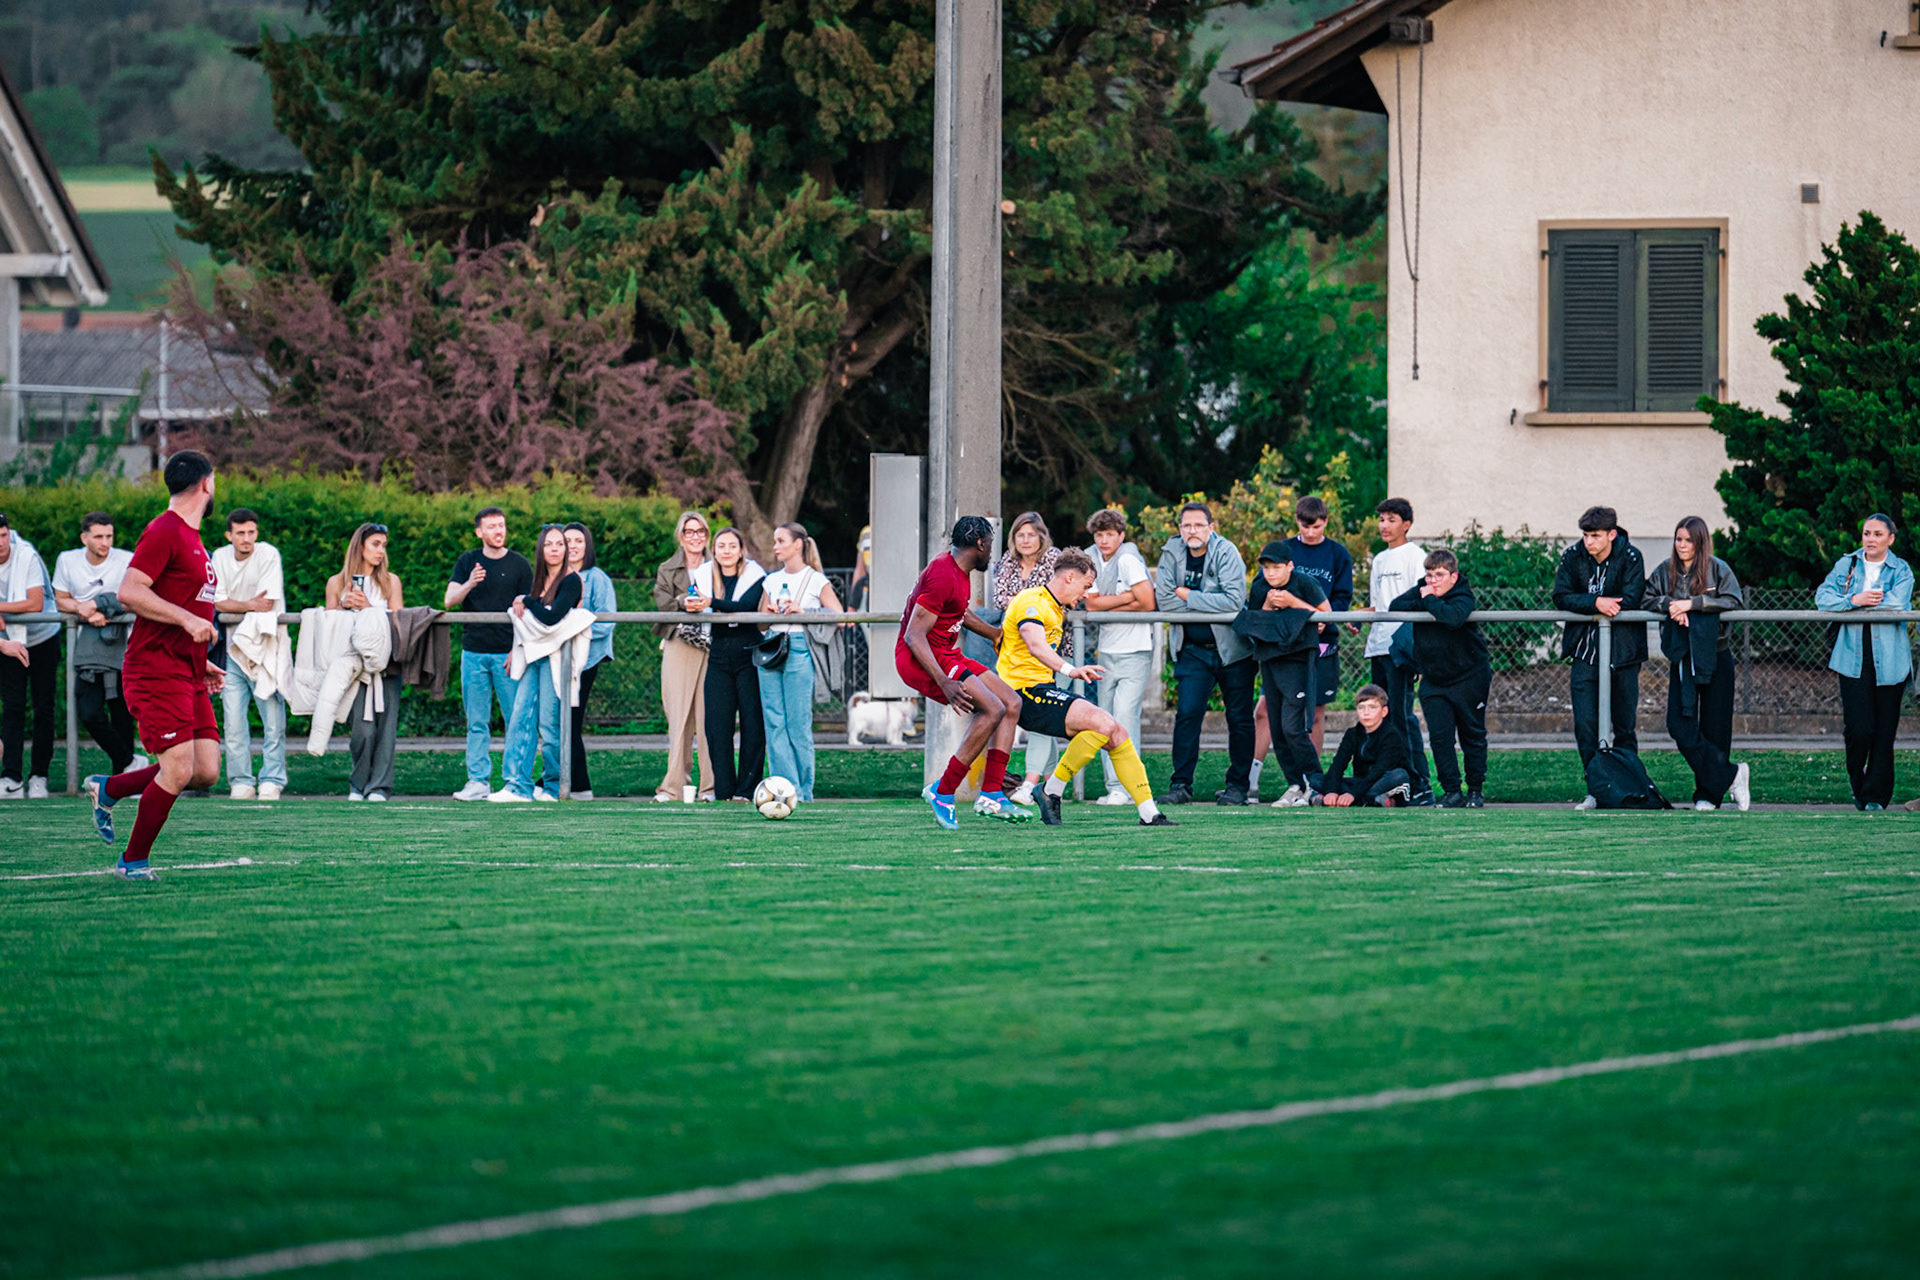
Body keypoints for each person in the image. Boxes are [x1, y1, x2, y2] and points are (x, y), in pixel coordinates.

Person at [82, 451, 225, 880]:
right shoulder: (165, 530)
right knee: (178, 768)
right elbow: (129, 591)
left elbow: (185, 602)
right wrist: (187, 619)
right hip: (154, 669)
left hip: (186, 671)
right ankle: (133, 862)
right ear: (206, 484)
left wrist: (201, 664)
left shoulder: (193, 538)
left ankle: (111, 787)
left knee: (204, 771)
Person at [996, 548, 1173, 827]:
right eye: (1086, 587)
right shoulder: (1033, 600)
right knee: (1103, 723)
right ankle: (1050, 789)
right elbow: (1034, 643)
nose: (1086, 595)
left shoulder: (1054, 606)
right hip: (1023, 694)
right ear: (1069, 577)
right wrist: (1071, 670)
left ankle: (1149, 812)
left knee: (1114, 731)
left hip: (1041, 689)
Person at [898, 515, 1028, 829]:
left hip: (947, 653)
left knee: (1011, 703)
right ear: (981, 544)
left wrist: (994, 634)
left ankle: (993, 792)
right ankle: (943, 791)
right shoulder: (944, 573)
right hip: (923, 659)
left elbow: (959, 611)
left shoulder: (958, 569)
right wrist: (944, 682)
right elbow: (913, 635)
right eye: (991, 545)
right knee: (991, 709)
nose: (991, 552)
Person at [1154, 502, 1256, 805]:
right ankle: (1181, 786)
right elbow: (1165, 602)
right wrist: (1206, 600)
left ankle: (1238, 786)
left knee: (1239, 718)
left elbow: (1234, 602)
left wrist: (1188, 595)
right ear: (1180, 529)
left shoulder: (1227, 552)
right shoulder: (1171, 553)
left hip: (1233, 651)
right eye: (1186, 525)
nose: (1192, 531)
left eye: (1199, 525)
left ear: (1212, 527)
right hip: (1192, 651)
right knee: (1187, 715)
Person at [1647, 518, 1751, 812]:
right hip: (1683, 655)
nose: (1682, 546)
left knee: (1715, 728)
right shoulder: (1665, 570)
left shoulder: (1717, 568)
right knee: (1679, 725)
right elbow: (1645, 597)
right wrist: (1670, 605)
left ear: (1700, 542)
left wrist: (1693, 604)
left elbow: (1733, 601)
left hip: (1716, 654)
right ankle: (1732, 774)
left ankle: (1709, 796)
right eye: (1678, 539)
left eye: (1688, 541)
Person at [1552, 506, 1648, 809]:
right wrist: (1596, 602)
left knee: (1624, 725)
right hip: (1584, 651)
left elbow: (1631, 598)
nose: (1588, 542)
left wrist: (1604, 604)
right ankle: (1596, 788)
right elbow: (1561, 595)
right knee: (1585, 724)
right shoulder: (1572, 556)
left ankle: (1631, 789)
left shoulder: (1631, 556)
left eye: (1595, 536)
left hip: (1623, 653)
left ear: (1612, 534)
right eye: (1585, 535)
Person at [1816, 513, 1912, 811]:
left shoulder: (1901, 568)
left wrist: (1866, 602)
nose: (1870, 539)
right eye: (1866, 533)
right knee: (1858, 728)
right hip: (1852, 658)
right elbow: (1823, 597)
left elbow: (1899, 601)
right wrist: (1853, 601)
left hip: (1891, 660)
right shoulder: (1848, 564)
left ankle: (1876, 797)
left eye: (1877, 534)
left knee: (1884, 732)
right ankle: (1858, 784)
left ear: (1890, 539)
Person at [1389, 549, 1491, 808]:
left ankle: (1476, 791)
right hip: (1434, 679)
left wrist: (1430, 601)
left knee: (1472, 735)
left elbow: (1454, 618)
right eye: (1429, 575)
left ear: (1453, 577)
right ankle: (1451, 791)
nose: (1433, 581)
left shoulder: (1462, 595)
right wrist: (1427, 598)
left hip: (1469, 677)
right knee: (1440, 738)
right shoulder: (1424, 589)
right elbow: (1396, 606)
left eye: (1440, 575)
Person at [446, 507, 534, 801]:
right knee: (477, 721)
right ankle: (478, 782)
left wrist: (516, 650)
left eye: (502, 526)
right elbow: (449, 600)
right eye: (492, 527)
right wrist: (471, 582)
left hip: (508, 655)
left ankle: (516, 782)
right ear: (479, 532)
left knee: (516, 719)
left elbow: (528, 614)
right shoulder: (468, 561)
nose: (499, 531)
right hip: (473, 653)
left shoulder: (520, 565)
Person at [1234, 541, 1328, 807]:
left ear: (1290, 566)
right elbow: (1255, 622)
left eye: (1277, 567)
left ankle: (1315, 783)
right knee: (1277, 727)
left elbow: (1327, 615)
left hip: (1298, 660)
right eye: (1266, 568)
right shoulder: (1260, 586)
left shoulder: (1305, 583)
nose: (1271, 573)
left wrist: (1291, 602)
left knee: (1293, 727)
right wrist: (1267, 606)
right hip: (1270, 660)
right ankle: (1295, 784)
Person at [52, 512, 143, 780]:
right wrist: (84, 609)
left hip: (124, 645)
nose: (106, 542)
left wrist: (99, 604)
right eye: (99, 536)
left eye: (109, 536)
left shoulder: (126, 559)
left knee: (122, 712)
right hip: (88, 647)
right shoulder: (67, 560)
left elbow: (132, 597)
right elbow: (61, 600)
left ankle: (123, 779)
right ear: (85, 537)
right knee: (89, 713)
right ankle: (130, 763)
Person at [493, 525, 579, 802]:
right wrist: (512, 650)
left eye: (560, 544)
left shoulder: (571, 580)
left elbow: (551, 619)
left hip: (556, 659)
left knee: (548, 724)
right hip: (531, 656)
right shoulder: (536, 580)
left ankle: (552, 786)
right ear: (541, 550)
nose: (554, 549)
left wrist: (527, 601)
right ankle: (516, 785)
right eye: (548, 545)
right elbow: (526, 624)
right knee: (520, 717)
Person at [759, 521, 842, 803]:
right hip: (771, 647)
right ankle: (784, 788)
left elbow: (841, 618)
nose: (775, 547)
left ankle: (804, 792)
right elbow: (760, 624)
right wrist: (769, 612)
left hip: (798, 649)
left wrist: (803, 611)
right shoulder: (770, 580)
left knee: (797, 723)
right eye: (774, 541)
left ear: (797, 544)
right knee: (774, 722)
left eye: (781, 541)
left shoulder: (816, 580)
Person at [210, 509, 288, 800]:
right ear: (229, 535)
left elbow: (266, 604)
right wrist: (247, 604)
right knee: (232, 721)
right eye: (240, 533)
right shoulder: (218, 556)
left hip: (266, 647)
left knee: (273, 719)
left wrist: (235, 604)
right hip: (231, 650)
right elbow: (217, 605)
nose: (247, 538)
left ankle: (272, 779)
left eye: (251, 532)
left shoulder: (268, 554)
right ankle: (241, 781)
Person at [325, 522, 405, 802]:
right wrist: (342, 608)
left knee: (386, 730)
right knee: (362, 730)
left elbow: (399, 625)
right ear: (360, 546)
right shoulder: (336, 583)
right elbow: (329, 630)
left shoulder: (390, 582)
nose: (381, 551)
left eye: (383, 545)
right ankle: (358, 784)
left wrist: (369, 610)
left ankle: (379, 787)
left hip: (387, 666)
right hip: (354, 668)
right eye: (375, 544)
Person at [1082, 510, 1155, 807]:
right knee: (1104, 722)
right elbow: (1091, 603)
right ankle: (1115, 787)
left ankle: (1130, 788)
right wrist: (1127, 598)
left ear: (1122, 535)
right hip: (1107, 651)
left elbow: (1148, 603)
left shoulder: (1127, 559)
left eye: (1110, 534)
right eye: (1099, 535)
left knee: (1126, 718)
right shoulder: (1092, 559)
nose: (1104, 540)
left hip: (1135, 650)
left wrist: (1106, 606)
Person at [1361, 497, 1431, 803]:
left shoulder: (1416, 556)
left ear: (1407, 524)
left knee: (1402, 716)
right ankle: (1393, 780)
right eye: (1381, 520)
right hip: (1377, 646)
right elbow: (1379, 603)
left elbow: (1422, 596)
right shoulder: (1378, 559)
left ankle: (1421, 783)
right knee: (1381, 717)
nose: (1384, 526)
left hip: (1401, 648)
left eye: (1391, 519)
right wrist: (1360, 618)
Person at [691, 526, 767, 803]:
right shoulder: (704, 574)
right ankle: (723, 790)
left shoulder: (755, 574)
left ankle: (747, 790)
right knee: (716, 725)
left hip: (748, 653)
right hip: (719, 652)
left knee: (753, 723)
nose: (726, 551)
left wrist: (710, 602)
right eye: (721, 546)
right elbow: (696, 605)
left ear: (741, 550)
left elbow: (746, 607)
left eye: (732, 546)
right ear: (714, 549)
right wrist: (693, 604)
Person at [991, 511, 1063, 804]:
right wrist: (1026, 604)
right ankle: (1052, 788)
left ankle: (1030, 785)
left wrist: (1021, 604)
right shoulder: (1007, 562)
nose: (1025, 540)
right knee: (1041, 720)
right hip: (1015, 653)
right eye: (1020, 534)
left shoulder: (1055, 560)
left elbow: (1051, 599)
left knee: (1043, 718)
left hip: (1050, 650)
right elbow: (1001, 599)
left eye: (1031, 534)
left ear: (1041, 536)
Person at [653, 511, 716, 802]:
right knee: (678, 716)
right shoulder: (668, 568)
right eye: (690, 532)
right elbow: (662, 602)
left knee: (708, 718)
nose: (696, 537)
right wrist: (682, 601)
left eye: (701, 531)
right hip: (679, 641)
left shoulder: (719, 565)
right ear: (681, 536)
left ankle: (711, 787)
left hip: (714, 643)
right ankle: (673, 786)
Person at [1284, 495, 1355, 753]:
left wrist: (1325, 619)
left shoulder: (1338, 554)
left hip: (1322, 641)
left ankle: (1312, 779)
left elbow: (1342, 596)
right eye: (1306, 527)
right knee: (1269, 710)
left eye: (1317, 526)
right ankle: (1254, 776)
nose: (1311, 532)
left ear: (1326, 521)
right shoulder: (1285, 549)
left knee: (1314, 714)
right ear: (1297, 521)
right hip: (1287, 639)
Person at [0, 515, 60, 799]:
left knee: (43, 708)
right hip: (7, 642)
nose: (1, 543)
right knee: (12, 707)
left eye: (3, 535)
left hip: (42, 639)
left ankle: (39, 776)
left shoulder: (27, 556)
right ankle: (11, 777)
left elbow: (35, 604)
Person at [561, 523, 616, 801]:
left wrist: (574, 631)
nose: (573, 545)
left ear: (587, 545)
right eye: (567, 540)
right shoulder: (554, 577)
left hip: (586, 659)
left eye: (578, 540)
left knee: (571, 719)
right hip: (556, 658)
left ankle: (580, 786)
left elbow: (606, 622)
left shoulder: (598, 578)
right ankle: (561, 781)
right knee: (556, 721)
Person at [1312, 684, 1413, 807]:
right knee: (1316, 779)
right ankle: (1372, 801)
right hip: (1361, 782)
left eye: (1372, 707)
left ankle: (1363, 799)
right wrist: (1331, 791)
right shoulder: (1352, 734)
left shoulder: (1391, 735)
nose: (1366, 713)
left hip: (1381, 781)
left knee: (1399, 775)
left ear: (1384, 711)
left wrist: (1352, 794)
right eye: (1361, 708)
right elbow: (1338, 765)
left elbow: (1379, 770)